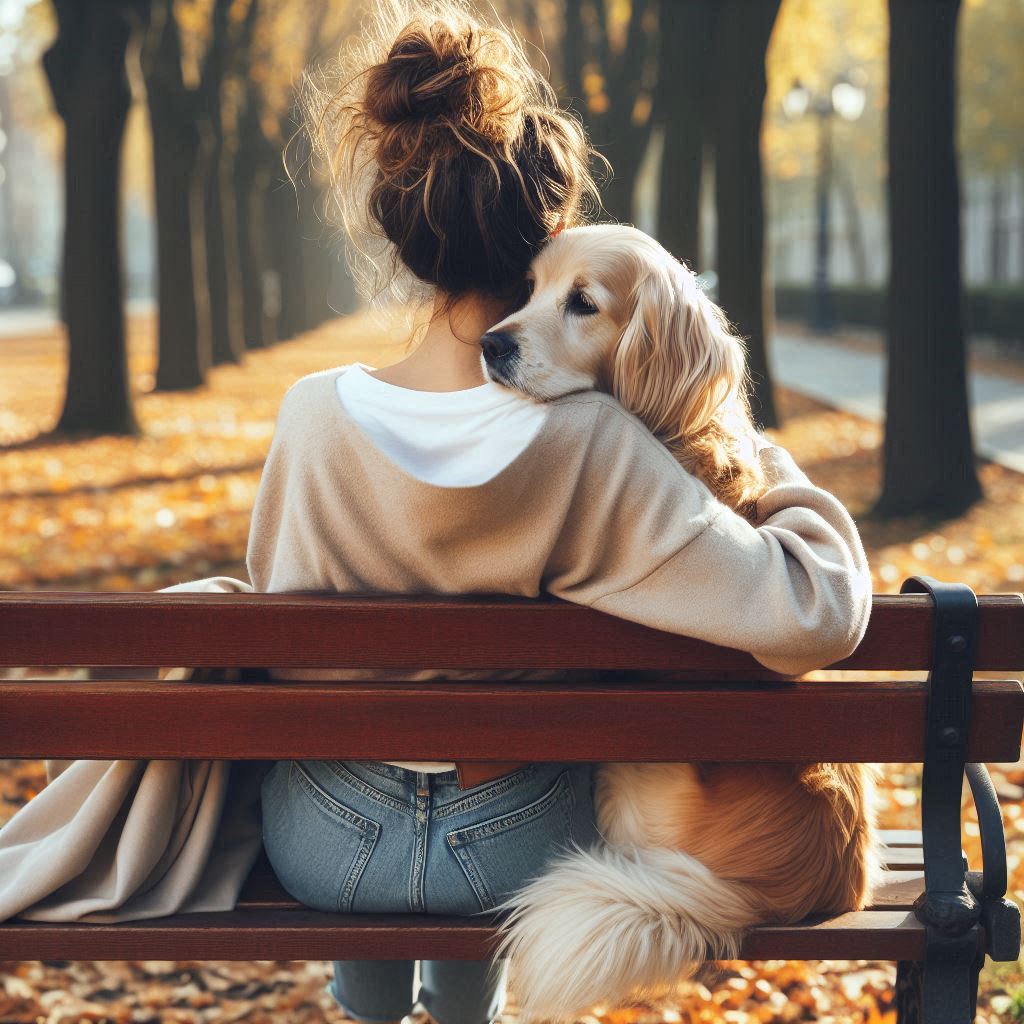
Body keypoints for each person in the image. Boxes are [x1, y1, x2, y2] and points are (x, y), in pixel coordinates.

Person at [250, 3, 872, 1024]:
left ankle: (363, 1005)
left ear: (401, 239)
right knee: (534, 782)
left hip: (326, 841)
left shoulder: (310, 415)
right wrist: (756, 445)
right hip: (510, 837)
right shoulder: (595, 443)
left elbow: (281, 644)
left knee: (340, 770)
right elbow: (812, 615)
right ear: (536, 231)